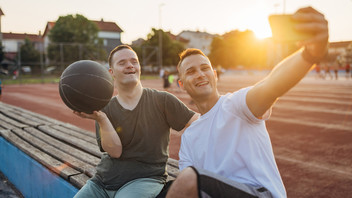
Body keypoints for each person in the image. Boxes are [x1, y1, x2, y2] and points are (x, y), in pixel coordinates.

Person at [166, 7, 328, 198]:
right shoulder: (189, 137)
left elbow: (272, 85)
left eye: (205, 68)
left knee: (187, 180)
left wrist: (310, 54)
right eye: (191, 71)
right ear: (181, 84)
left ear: (214, 75)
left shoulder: (236, 105)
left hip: (260, 194)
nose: (200, 74)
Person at [73, 45, 198, 198]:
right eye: (122, 63)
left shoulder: (162, 100)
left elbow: (198, 122)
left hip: (144, 179)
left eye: (134, 61)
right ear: (111, 72)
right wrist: (102, 119)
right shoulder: (103, 109)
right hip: (101, 182)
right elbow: (115, 151)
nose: (130, 65)